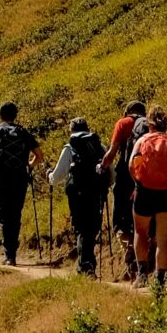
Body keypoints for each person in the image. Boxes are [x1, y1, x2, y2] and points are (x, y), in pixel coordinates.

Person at [0, 102, 42, 265]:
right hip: (20, 178)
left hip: (1, 179)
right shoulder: (23, 132)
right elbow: (39, 155)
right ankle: (13, 253)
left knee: (3, 214)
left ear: (0, 115)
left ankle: (8, 254)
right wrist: (29, 166)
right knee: (15, 213)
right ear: (15, 115)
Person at [128, 106, 167, 288]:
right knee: (163, 238)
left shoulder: (141, 140)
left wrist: (138, 181)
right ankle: (160, 279)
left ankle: (141, 275)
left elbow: (131, 165)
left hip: (144, 191)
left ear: (149, 123)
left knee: (141, 232)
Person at [51, 116, 109, 276]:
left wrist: (49, 175)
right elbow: (111, 173)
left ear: (71, 130)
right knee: (92, 228)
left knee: (81, 228)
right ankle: (88, 264)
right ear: (87, 128)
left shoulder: (70, 147)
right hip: (96, 192)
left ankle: (85, 267)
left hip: (77, 193)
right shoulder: (100, 146)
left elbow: (57, 176)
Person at [104, 100, 147, 281]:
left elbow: (113, 152)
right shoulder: (150, 124)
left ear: (128, 111)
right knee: (141, 218)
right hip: (145, 178)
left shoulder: (123, 123)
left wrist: (102, 166)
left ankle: (129, 256)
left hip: (125, 177)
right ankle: (145, 260)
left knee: (120, 219)